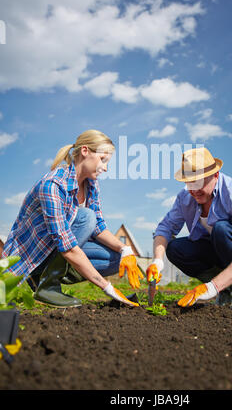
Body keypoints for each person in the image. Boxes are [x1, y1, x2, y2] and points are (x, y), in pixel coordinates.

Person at [2, 129, 143, 308]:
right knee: (86, 217)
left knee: (116, 258)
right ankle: (47, 285)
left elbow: (98, 227)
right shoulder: (53, 185)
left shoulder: (91, 184)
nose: (105, 168)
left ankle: (45, 279)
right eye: (103, 159)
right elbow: (66, 244)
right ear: (85, 151)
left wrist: (126, 250)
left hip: (58, 249)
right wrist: (107, 287)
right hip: (32, 257)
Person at [146, 147, 232, 309]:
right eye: (189, 182)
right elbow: (165, 228)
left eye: (199, 181)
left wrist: (212, 286)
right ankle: (225, 289)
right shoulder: (185, 197)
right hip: (219, 248)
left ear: (215, 175)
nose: (194, 190)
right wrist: (157, 261)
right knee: (176, 248)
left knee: (221, 230)